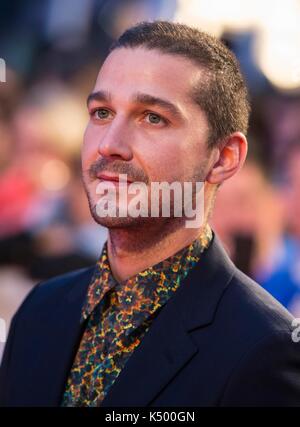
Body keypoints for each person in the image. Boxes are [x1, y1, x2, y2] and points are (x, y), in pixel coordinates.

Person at [0, 21, 299, 407]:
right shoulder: (40, 309)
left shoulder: (262, 348)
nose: (110, 145)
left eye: (153, 118)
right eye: (102, 112)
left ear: (224, 157)